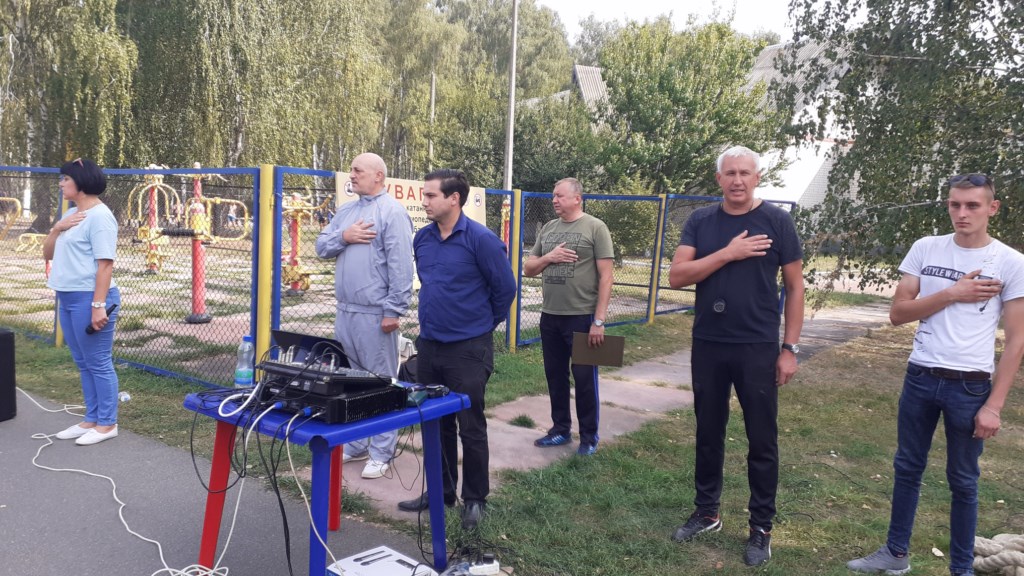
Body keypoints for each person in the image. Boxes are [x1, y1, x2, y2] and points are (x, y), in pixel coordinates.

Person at [847, 173, 1024, 576]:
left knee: (963, 480)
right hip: (921, 376)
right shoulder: (926, 247)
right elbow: (898, 313)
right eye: (954, 204)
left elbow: (1017, 341)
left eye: (972, 205)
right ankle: (895, 553)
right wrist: (951, 293)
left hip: (970, 386)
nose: (962, 213)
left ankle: (961, 569)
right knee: (907, 467)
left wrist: (994, 406)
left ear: (992, 208)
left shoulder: (1011, 262)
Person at [667, 145, 805, 567]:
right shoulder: (701, 221)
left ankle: (761, 527)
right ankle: (707, 512)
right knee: (708, 432)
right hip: (709, 342)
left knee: (762, 440)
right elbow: (676, 276)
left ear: (758, 177)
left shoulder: (777, 221)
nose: (738, 180)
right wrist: (728, 253)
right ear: (719, 179)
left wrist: (789, 349)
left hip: (758, 346)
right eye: (730, 173)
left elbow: (795, 287)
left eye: (745, 172)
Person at [397, 169, 516, 530]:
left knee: (470, 424)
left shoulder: (481, 240)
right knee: (436, 422)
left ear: (454, 199)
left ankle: (475, 499)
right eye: (424, 195)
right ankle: (442, 490)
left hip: (468, 349)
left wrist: (481, 325)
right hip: (430, 347)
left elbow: (505, 289)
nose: (424, 201)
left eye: (431, 195)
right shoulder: (423, 239)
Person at [315, 152, 414, 479]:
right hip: (345, 311)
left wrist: (393, 310)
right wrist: (344, 237)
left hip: (375, 314)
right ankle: (357, 443)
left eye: (358, 170)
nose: (352, 175)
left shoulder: (392, 212)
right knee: (350, 380)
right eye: (351, 170)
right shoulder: (347, 211)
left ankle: (381, 451)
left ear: (378, 176)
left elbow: (401, 266)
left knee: (381, 382)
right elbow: (321, 247)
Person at [524, 177, 614, 456]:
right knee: (555, 376)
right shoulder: (549, 228)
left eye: (560, 196)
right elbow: (529, 268)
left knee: (585, 379)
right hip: (550, 316)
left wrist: (599, 321)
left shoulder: (596, 227)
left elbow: (607, 277)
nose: (554, 200)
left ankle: (589, 437)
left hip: (583, 317)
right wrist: (549, 257)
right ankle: (560, 430)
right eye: (553, 196)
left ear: (577, 198)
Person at [43, 158, 122, 446]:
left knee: (98, 362)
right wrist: (57, 228)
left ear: (82, 182)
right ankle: (91, 419)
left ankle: (107, 423)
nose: (61, 183)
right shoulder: (71, 214)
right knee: (83, 362)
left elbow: (105, 265)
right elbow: (48, 254)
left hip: (91, 298)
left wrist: (98, 306)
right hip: (68, 296)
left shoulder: (100, 217)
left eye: (66, 179)